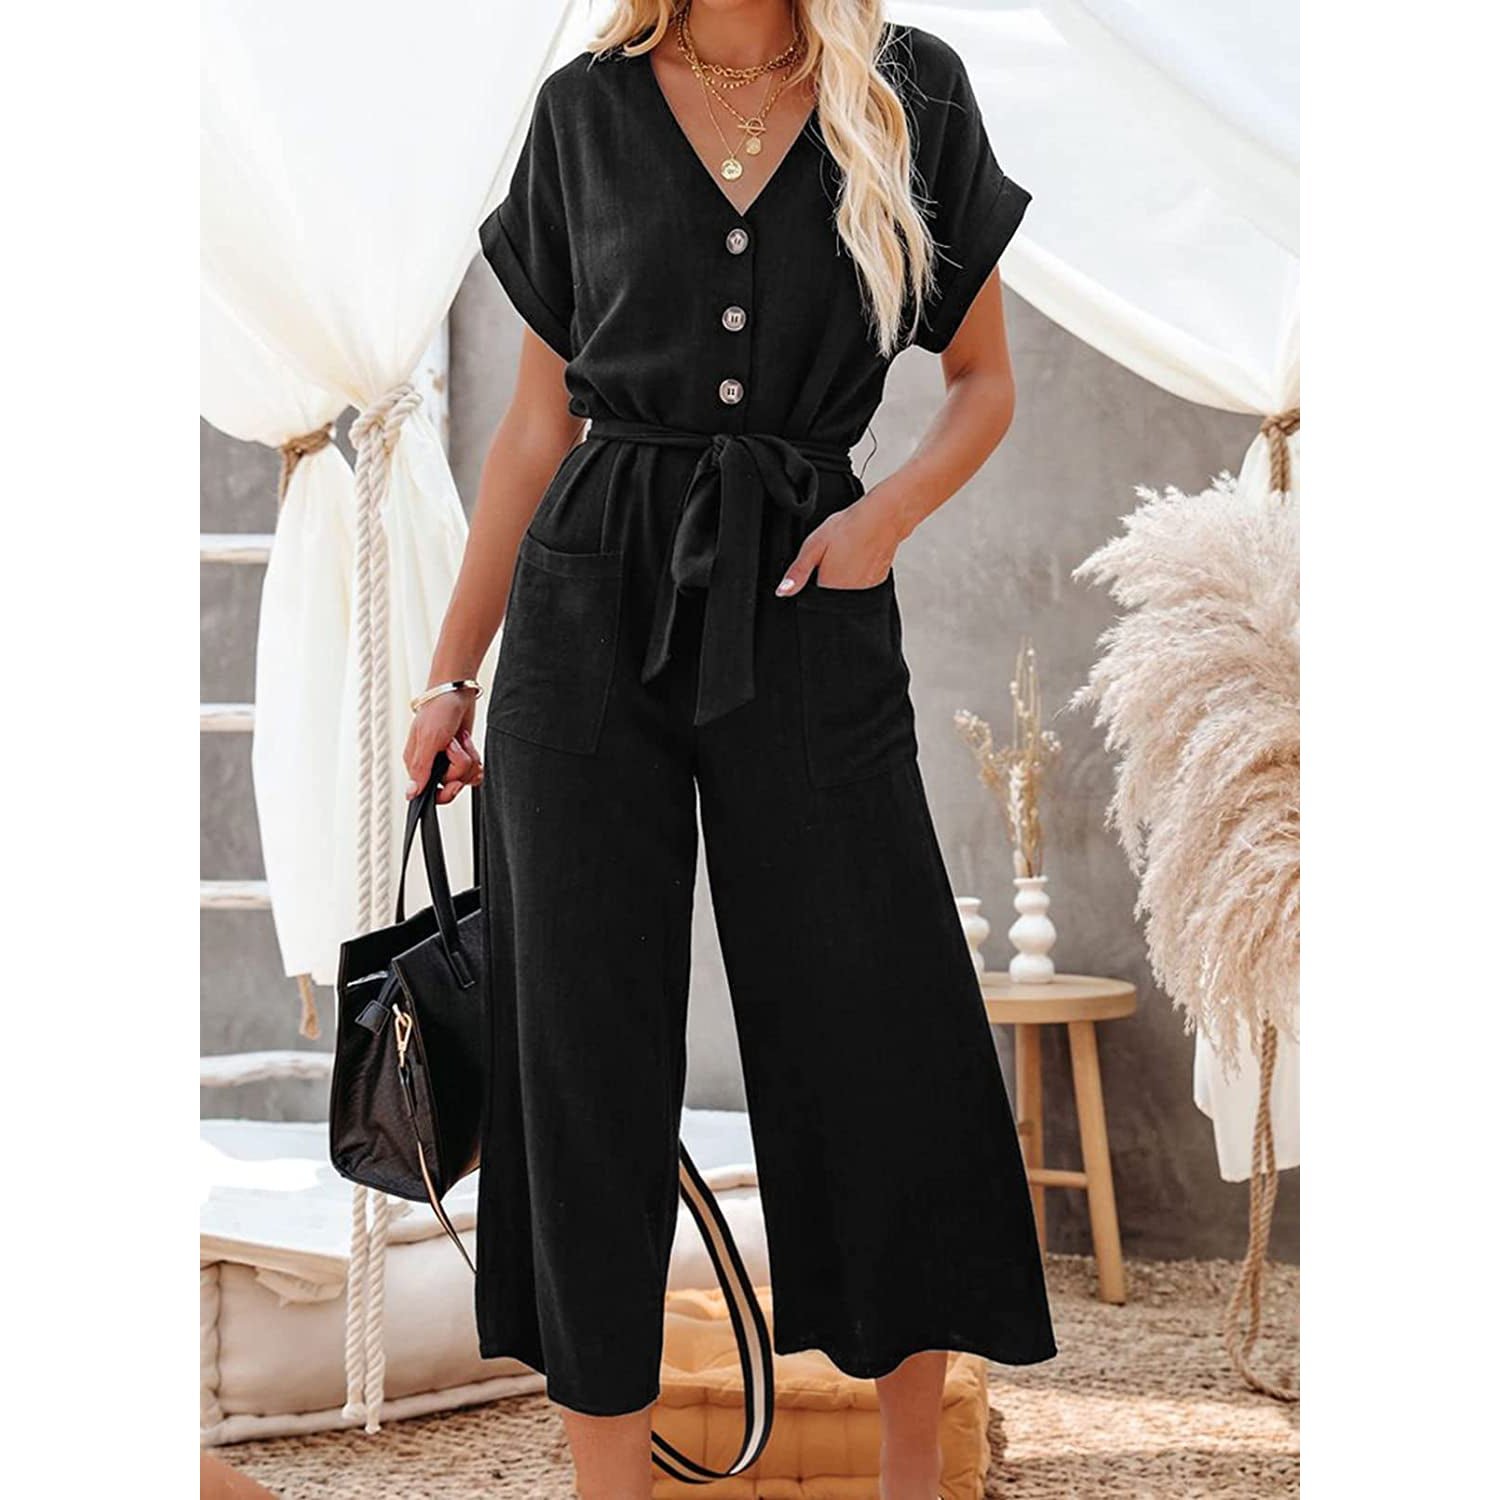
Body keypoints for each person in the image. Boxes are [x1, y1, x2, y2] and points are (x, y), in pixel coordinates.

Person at [404, 2, 1054, 1494]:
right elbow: (534, 428)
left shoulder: (908, 92)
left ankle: (912, 1477)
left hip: (809, 594)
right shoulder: (584, 110)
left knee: (879, 1025)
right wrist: (451, 673)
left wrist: (878, 524)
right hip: (585, 615)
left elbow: (984, 384)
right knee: (584, 1056)